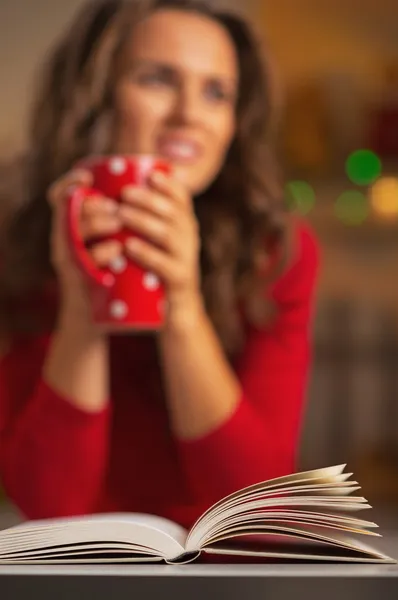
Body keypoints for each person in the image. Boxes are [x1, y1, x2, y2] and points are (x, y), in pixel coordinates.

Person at [0, 0, 319, 528]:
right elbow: (49, 506)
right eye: (157, 80)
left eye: (217, 92)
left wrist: (183, 308)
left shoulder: (277, 253)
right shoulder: (23, 243)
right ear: (93, 98)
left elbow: (257, 506)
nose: (190, 116)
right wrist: (82, 309)